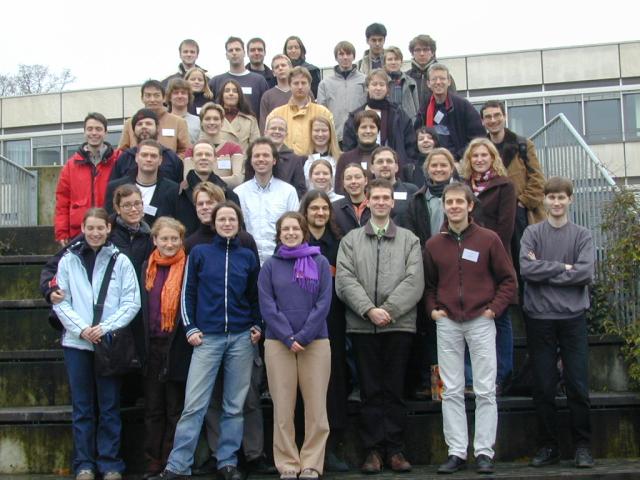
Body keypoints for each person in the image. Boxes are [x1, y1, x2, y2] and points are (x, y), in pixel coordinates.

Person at [153, 202, 261, 480]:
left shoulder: (247, 256)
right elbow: (187, 293)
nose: (227, 224)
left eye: (231, 219)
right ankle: (178, 465)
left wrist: (257, 324)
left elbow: (254, 296)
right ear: (214, 223)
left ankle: (227, 461)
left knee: (234, 406)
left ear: (238, 223)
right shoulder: (200, 253)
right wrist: (190, 327)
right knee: (194, 405)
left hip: (241, 338)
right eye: (222, 219)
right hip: (207, 339)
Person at [423, 183, 516, 474]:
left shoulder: (489, 239)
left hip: (480, 320)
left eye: (459, 202)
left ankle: (484, 452)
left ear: (470, 205)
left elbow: (508, 280)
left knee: (485, 389)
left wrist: (493, 310)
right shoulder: (433, 245)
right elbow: (428, 285)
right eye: (449, 202)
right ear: (444, 206)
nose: (454, 207)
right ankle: (457, 452)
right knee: (450, 390)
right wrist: (433, 310)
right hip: (448, 321)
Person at [335, 178, 424, 474]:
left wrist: (388, 310)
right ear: (368, 201)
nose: (382, 202)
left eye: (386, 197)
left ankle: (395, 449)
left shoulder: (410, 240)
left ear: (393, 202)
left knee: (395, 389)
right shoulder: (351, 240)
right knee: (369, 390)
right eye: (376, 198)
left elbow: (414, 281)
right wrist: (369, 310)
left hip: (399, 325)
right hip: (363, 326)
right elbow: (345, 280)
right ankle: (373, 450)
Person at [52, 207, 140, 480]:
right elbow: (61, 301)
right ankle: (84, 464)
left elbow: (131, 301)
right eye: (90, 228)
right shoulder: (68, 259)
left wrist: (103, 328)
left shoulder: (120, 260)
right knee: (82, 407)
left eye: (100, 228)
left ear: (108, 229)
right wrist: (82, 330)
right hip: (76, 344)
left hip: (109, 342)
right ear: (82, 229)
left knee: (110, 406)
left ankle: (110, 463)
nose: (95, 233)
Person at [520, 177, 595, 469]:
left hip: (573, 317)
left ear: (570, 200)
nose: (556, 202)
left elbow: (584, 273)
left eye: (561, 197)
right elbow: (527, 269)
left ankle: (583, 446)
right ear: (544, 200)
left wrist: (546, 272)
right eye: (551, 197)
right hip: (539, 318)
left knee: (578, 384)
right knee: (543, 385)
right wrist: (564, 267)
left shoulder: (582, 235)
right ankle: (548, 446)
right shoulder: (532, 233)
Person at [259, 212, 333, 480]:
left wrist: (304, 335)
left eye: (295, 229)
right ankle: (288, 463)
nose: (290, 233)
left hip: (315, 341)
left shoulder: (320, 262)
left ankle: (312, 463)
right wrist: (288, 337)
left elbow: (324, 302)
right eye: (285, 229)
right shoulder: (270, 266)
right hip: (278, 343)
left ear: (304, 232)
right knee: (283, 407)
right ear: (279, 234)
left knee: (316, 408)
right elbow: (267, 304)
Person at [461, 138, 517, 393]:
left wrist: (484, 252)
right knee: (469, 321)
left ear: (493, 158)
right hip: (466, 263)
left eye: (484, 155)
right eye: (475, 156)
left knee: (500, 319)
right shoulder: (463, 187)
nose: (479, 159)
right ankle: (472, 378)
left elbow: (505, 228)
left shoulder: (505, 186)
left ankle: (502, 376)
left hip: (495, 260)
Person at [300, 192, 349, 472]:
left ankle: (329, 449)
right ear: (305, 211)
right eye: (314, 208)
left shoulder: (340, 244)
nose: (320, 213)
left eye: (324, 208)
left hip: (333, 321)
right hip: (302, 322)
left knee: (332, 384)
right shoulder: (297, 241)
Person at [402, 148, 456, 399]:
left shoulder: (462, 196)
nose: (439, 169)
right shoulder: (417, 199)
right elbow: (412, 235)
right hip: (427, 270)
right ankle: (436, 385)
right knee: (429, 331)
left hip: (457, 271)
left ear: (451, 168)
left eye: (443, 165)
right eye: (434, 165)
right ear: (427, 170)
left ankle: (460, 382)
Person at [140, 217, 190, 478]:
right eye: (164, 239)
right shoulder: (146, 267)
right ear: (155, 240)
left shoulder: (188, 266)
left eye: (174, 239)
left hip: (177, 346)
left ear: (181, 240)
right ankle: (152, 460)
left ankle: (172, 460)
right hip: (152, 346)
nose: (169, 244)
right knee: (153, 407)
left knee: (175, 408)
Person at [481, 100, 546, 265]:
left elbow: (538, 180)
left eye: (497, 115)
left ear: (505, 117)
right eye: (488, 117)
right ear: (482, 121)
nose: (493, 120)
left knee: (525, 261)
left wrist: (522, 203)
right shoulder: (480, 150)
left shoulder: (523, 145)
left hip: (520, 215)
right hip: (492, 215)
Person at [55, 112, 121, 246]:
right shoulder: (71, 165)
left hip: (111, 229)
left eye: (98, 129)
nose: (94, 133)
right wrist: (62, 231)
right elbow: (62, 201)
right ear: (84, 132)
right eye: (90, 129)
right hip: (79, 231)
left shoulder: (118, 160)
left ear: (106, 132)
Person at [234, 137, 300, 264]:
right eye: (256, 155)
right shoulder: (239, 193)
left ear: (274, 160)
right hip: (247, 260)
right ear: (251, 161)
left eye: (266, 155)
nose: (261, 159)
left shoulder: (288, 192)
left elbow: (296, 227)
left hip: (281, 260)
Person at [342, 69, 418, 176]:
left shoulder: (399, 115)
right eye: (374, 84)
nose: (378, 88)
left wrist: (408, 165)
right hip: (364, 172)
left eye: (382, 85)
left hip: (393, 171)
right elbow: (349, 146)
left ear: (387, 89)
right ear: (367, 87)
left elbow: (410, 143)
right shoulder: (355, 116)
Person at [417, 63, 485, 160]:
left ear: (449, 81)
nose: (438, 82)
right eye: (434, 79)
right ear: (428, 83)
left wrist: (459, 157)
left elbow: (478, 138)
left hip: (459, 161)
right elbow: (417, 136)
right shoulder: (424, 107)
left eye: (442, 78)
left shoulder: (463, 106)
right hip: (432, 161)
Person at [105, 139, 179, 227]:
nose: (148, 159)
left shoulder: (173, 190)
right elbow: (109, 221)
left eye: (153, 156)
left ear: (160, 160)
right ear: (136, 158)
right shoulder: (115, 187)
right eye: (144, 155)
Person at [266, 66, 333, 156]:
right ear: (290, 85)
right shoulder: (275, 114)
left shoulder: (323, 113)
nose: (300, 87)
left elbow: (332, 143)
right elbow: (268, 143)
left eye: (304, 83)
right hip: (285, 162)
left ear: (309, 85)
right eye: (296, 83)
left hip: (315, 162)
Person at [176, 141, 240, 235]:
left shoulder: (230, 195)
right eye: (199, 154)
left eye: (208, 155)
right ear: (192, 159)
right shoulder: (176, 193)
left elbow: (238, 229)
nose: (203, 157)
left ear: (215, 159)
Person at [118, 80, 190, 158]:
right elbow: (121, 151)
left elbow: (186, 151)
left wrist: (172, 162)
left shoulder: (178, 122)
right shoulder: (130, 123)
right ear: (142, 98)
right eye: (148, 95)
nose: (152, 100)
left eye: (156, 95)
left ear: (164, 98)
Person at [110, 109, 184, 184]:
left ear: (157, 128)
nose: (144, 127)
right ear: (133, 130)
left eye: (148, 124)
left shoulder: (171, 157)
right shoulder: (125, 158)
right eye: (139, 124)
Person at [317, 41, 366, 143]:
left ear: (353, 56)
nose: (345, 57)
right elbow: (321, 112)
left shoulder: (365, 80)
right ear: (336, 57)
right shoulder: (325, 84)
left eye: (348, 54)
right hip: (336, 137)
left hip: (360, 135)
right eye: (341, 54)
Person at [209, 37, 269, 120]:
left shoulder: (259, 81)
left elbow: (265, 110)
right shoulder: (216, 81)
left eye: (237, 49)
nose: (234, 53)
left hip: (251, 127)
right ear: (226, 55)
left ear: (244, 53)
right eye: (231, 50)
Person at [190, 102, 244, 188]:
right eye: (207, 119)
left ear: (222, 122)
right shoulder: (191, 149)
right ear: (201, 122)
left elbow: (237, 180)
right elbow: (188, 180)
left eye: (216, 119)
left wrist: (203, 180)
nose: (212, 122)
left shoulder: (234, 148)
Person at [259, 116, 307, 198]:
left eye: (281, 129)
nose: (277, 131)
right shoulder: (256, 156)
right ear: (265, 132)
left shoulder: (295, 160)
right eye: (273, 128)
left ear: (286, 134)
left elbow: (300, 190)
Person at [334, 110, 380, 194]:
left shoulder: (387, 157)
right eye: (363, 127)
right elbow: (339, 190)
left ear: (378, 131)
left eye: (372, 127)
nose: (368, 131)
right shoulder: (345, 159)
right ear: (356, 131)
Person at [405, 35, 456, 109]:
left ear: (432, 53)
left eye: (425, 50)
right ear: (412, 53)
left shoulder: (444, 77)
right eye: (418, 50)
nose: (422, 53)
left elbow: (453, 103)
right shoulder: (406, 78)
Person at [369, 146, 417, 222]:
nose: (385, 165)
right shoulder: (366, 192)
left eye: (389, 161)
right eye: (380, 162)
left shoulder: (412, 190)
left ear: (396, 167)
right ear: (372, 168)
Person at [216, 79, 260, 151]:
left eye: (235, 91)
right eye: (227, 91)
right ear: (222, 95)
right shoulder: (213, 118)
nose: (231, 93)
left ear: (239, 95)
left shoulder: (250, 120)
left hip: (243, 158)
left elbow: (256, 147)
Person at [383, 47, 420, 121]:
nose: (393, 62)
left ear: (401, 62)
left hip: (408, 122)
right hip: (387, 122)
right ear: (384, 63)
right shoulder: (381, 82)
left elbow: (416, 106)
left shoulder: (410, 82)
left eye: (396, 59)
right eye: (390, 59)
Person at [333, 163, 370, 236]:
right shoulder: (334, 209)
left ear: (365, 180)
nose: (353, 181)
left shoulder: (376, 205)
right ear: (343, 183)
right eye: (348, 178)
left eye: (357, 177)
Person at [259, 54, 293, 132]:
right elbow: (263, 125)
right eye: (277, 67)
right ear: (273, 73)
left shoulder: (303, 92)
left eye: (283, 65)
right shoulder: (267, 96)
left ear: (291, 68)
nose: (280, 68)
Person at [303, 116, 342, 183]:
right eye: (316, 130)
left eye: (324, 131)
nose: (320, 134)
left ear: (330, 132)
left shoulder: (341, 159)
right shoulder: (302, 160)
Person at [166, 78, 200, 143]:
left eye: (183, 93)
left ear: (189, 97)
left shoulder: (198, 121)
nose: (180, 96)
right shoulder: (163, 121)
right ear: (169, 97)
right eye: (176, 93)